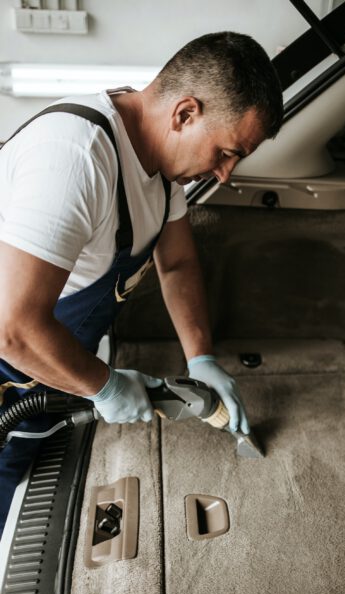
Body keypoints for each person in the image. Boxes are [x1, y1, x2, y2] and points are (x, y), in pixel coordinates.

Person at [0, 31, 283, 535]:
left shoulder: (159, 164)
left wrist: (201, 359)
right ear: (185, 113)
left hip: (48, 367)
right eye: (225, 151)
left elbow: (177, 265)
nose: (224, 174)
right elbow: (14, 327)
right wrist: (103, 386)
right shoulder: (77, 158)